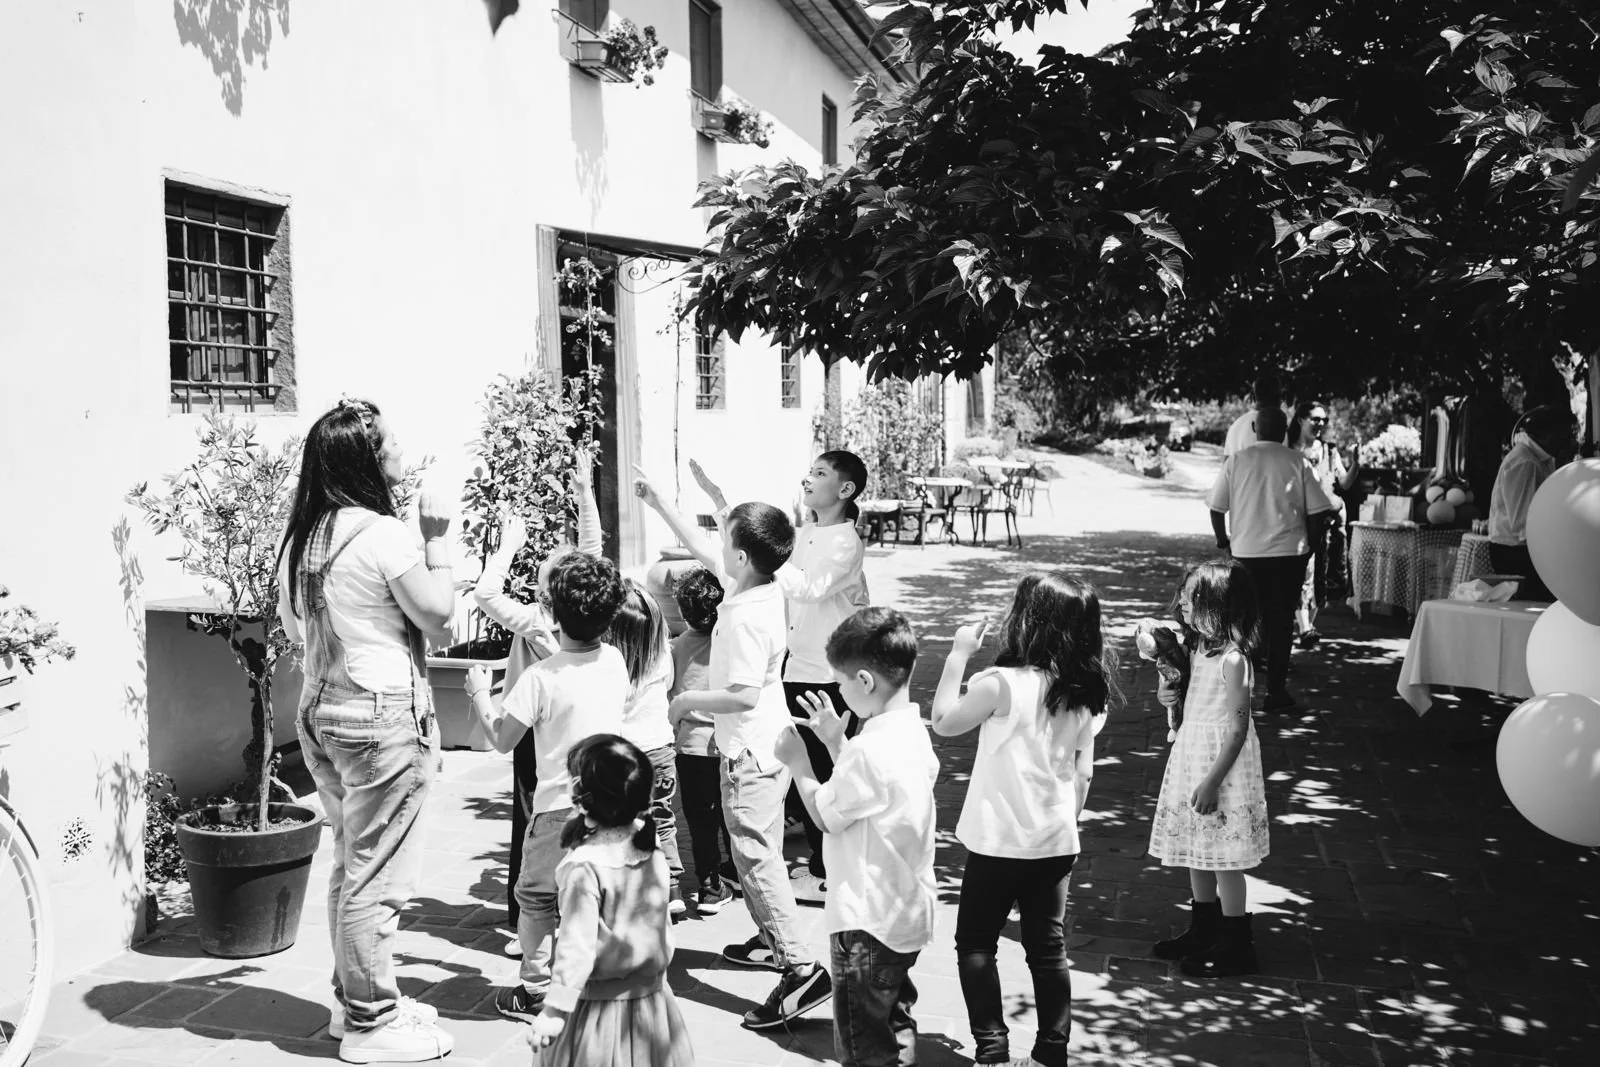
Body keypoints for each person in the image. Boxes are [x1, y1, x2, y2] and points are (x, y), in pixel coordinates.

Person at [275, 396, 456, 1062]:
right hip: (379, 717)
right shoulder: (384, 533)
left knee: (353, 861)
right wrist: (436, 539)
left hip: (321, 710)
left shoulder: (302, 535)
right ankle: (373, 1021)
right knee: (377, 872)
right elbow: (439, 615)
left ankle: (350, 1000)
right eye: (390, 447)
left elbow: (295, 629)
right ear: (366, 459)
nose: (401, 456)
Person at [632, 469, 834, 1030]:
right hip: (768, 742)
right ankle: (776, 940)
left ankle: (799, 968)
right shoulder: (766, 582)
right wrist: (662, 505)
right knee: (758, 852)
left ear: (742, 557)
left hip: (750, 749)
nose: (718, 546)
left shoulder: (745, 616)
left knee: (755, 856)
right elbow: (705, 542)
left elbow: (742, 694)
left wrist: (682, 703)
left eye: (727, 542)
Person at [930, 573, 1116, 1067]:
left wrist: (957, 654)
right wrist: (1063, 822)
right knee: (1048, 950)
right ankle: (1052, 1052)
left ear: (1025, 621)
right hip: (1055, 842)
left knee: (974, 943)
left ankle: (992, 1050)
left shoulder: (999, 684)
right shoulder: (1086, 691)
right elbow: (1084, 772)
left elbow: (944, 722)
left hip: (996, 840)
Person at [688, 451, 871, 906]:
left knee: (823, 771)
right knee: (794, 762)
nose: (808, 479)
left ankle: (829, 871)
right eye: (810, 471)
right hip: (797, 665)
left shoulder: (845, 542)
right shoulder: (806, 532)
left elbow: (808, 586)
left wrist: (766, 556)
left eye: (820, 474)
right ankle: (815, 859)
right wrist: (721, 503)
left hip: (828, 675)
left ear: (844, 491)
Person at [463, 552, 629, 1023]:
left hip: (558, 811)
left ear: (551, 615)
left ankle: (536, 990)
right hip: (611, 810)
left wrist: (478, 691)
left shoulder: (540, 677)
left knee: (536, 900)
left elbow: (500, 740)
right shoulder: (615, 661)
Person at [777, 607, 938, 1067]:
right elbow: (870, 796)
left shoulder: (870, 750)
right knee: (896, 1018)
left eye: (841, 683)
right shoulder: (909, 731)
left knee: (862, 1044)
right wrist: (834, 743)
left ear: (865, 682)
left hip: (866, 921)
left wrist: (801, 764)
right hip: (903, 910)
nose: (839, 692)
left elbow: (829, 815)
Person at [472, 452, 601, 954]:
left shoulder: (534, 621)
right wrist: (586, 494)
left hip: (530, 731)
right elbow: (592, 556)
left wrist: (507, 547)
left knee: (530, 818)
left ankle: (526, 917)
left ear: (547, 596)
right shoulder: (593, 627)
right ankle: (570, 912)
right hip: (580, 734)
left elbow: (484, 593)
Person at [525, 735, 695, 1067]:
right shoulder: (649, 846)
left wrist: (556, 1010)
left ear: (581, 798)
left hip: (599, 1014)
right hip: (654, 1004)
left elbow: (577, 946)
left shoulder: (584, 868)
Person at [1147, 560, 1270, 979]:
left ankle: (1238, 943)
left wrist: (1214, 780)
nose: (1182, 599)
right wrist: (1168, 693)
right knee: (1197, 851)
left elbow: (1237, 729)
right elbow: (1186, 698)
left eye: (1192, 594)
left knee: (1225, 861)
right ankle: (1204, 927)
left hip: (1221, 767)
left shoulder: (1234, 661)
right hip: (1192, 754)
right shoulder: (1197, 648)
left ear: (1219, 605)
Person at [1207, 406, 1334, 714]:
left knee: (1244, 622)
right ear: (1284, 429)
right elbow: (1320, 511)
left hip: (1247, 554)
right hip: (1289, 555)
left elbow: (1215, 507)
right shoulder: (1297, 462)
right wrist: (1310, 548)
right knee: (1280, 624)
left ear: (1255, 428)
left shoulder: (1237, 461)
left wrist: (1224, 540)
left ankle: (1238, 692)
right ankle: (1275, 691)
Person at [606, 579, 686, 918]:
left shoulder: (609, 664)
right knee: (662, 819)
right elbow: (667, 687)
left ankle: (630, 889)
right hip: (661, 750)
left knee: (622, 825)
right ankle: (673, 889)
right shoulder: (664, 654)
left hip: (625, 756)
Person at [668, 567, 736, 915]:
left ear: (682, 611)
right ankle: (735, 871)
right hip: (727, 744)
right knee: (730, 813)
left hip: (690, 747)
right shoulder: (731, 645)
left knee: (699, 819)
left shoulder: (675, 648)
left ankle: (710, 886)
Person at [1286, 400, 1360, 647]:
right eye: (1315, 419)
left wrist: (1356, 463)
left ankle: (1307, 627)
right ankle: (1304, 627)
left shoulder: (1329, 450)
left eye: (1323, 420)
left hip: (1327, 522)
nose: (1320, 424)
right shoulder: (1288, 449)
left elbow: (1345, 483)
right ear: (1300, 420)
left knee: (1321, 577)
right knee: (1303, 573)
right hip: (1299, 520)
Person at [1488, 405, 1579, 602]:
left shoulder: (1537, 458)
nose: (1568, 440)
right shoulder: (1525, 462)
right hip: (1515, 551)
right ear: (1548, 435)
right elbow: (1522, 523)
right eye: (1564, 434)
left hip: (1522, 548)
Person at [1223, 375, 1283, 457]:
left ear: (1255, 396)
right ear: (1278, 397)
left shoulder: (1236, 425)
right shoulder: (1275, 428)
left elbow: (1226, 464)